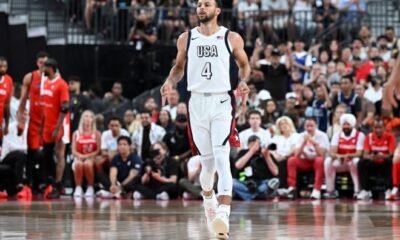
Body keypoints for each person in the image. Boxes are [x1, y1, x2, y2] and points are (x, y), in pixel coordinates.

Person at [160, 0, 250, 237]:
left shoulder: (231, 37)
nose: (201, 7)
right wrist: (169, 82)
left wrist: (242, 81)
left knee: (222, 156)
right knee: (207, 163)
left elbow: (244, 65)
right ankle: (208, 197)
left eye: (206, 4)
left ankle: (223, 212)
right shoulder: (186, 38)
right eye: (199, 4)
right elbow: (179, 68)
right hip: (196, 101)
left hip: (221, 101)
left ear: (217, 10)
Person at [17, 51, 48, 194]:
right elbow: (23, 100)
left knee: (46, 153)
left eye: (45, 63)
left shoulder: (53, 79)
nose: (43, 65)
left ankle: (44, 182)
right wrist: (20, 119)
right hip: (34, 121)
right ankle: (28, 182)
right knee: (32, 152)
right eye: (41, 62)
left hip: (48, 121)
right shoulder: (30, 77)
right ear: (37, 63)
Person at [41, 58, 70, 199]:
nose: (42, 70)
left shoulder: (62, 84)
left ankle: (58, 185)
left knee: (60, 154)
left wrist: (58, 127)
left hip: (59, 125)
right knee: (46, 155)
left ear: (50, 69)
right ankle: (51, 181)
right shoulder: (46, 82)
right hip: (47, 124)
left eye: (44, 67)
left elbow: (64, 108)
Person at [286, 117, 330, 200]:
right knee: (291, 160)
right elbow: (296, 154)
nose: (309, 128)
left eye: (311, 126)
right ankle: (292, 188)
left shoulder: (322, 135)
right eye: (307, 126)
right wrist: (303, 142)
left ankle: (317, 189)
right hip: (305, 161)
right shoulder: (301, 135)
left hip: (317, 161)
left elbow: (322, 154)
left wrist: (313, 143)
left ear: (316, 126)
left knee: (319, 160)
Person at [324, 113, 365, 199]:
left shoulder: (359, 135)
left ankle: (357, 190)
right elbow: (332, 152)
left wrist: (349, 155)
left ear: (352, 125)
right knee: (328, 161)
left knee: (356, 161)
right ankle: (330, 190)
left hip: (352, 161)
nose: (345, 126)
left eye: (348, 124)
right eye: (344, 124)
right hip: (341, 162)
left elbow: (359, 153)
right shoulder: (337, 135)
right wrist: (339, 156)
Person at [232, 135, 279, 201]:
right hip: (245, 183)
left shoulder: (266, 154)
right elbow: (238, 165)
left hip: (262, 183)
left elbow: (275, 172)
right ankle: (257, 196)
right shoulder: (243, 152)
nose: (255, 147)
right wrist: (251, 151)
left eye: (256, 144)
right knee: (232, 182)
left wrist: (267, 157)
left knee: (275, 181)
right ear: (248, 145)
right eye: (252, 145)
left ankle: (249, 196)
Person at [358, 119, 395, 200]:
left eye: (380, 128)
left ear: (384, 128)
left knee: (390, 161)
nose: (378, 130)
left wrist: (383, 156)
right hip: (373, 162)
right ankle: (365, 190)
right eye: (376, 128)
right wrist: (371, 156)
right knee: (362, 162)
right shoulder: (369, 137)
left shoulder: (390, 137)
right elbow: (365, 154)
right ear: (372, 128)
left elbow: (391, 154)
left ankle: (389, 189)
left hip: (384, 163)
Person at [71, 110, 101, 198]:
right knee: (78, 163)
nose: (88, 119)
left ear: (93, 120)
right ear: (82, 119)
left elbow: (98, 150)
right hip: (79, 157)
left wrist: (87, 156)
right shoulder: (76, 133)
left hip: (92, 157)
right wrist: (80, 156)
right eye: (85, 116)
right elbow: (73, 150)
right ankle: (78, 187)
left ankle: (90, 187)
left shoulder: (97, 133)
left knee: (87, 164)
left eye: (90, 117)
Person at [0, 56, 13, 141]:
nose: (3, 69)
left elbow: (7, 105)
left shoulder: (8, 80)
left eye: (5, 66)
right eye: (0, 66)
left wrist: (7, 125)